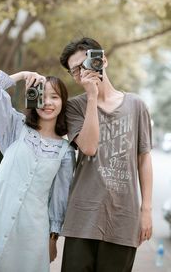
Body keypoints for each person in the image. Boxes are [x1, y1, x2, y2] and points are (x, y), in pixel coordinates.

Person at [59, 37, 153, 272]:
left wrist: (146, 211)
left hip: (123, 218)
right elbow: (88, 148)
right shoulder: (74, 107)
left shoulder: (136, 105)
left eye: (85, 64)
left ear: (102, 60)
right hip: (83, 218)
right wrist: (92, 97)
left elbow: (143, 159)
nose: (82, 74)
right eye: (75, 71)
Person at [0, 70, 75, 272]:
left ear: (63, 103)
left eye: (54, 97)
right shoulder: (14, 128)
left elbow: (58, 200)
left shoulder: (66, 151)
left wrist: (52, 240)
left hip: (33, 231)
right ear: (32, 96)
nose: (48, 102)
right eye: (41, 95)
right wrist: (22, 75)